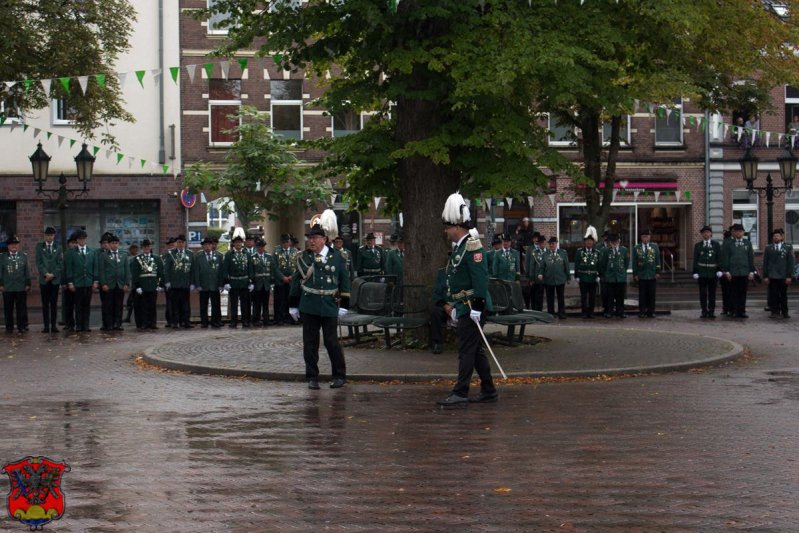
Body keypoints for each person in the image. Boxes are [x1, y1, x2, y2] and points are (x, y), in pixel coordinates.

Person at [437, 192, 497, 407]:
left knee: (466, 350)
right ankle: (489, 389)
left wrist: (478, 306)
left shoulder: (472, 246)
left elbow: (480, 279)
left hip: (474, 307)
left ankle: (461, 392)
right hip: (465, 306)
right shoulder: (461, 248)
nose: (446, 232)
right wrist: (454, 304)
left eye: (448, 227)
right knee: (475, 350)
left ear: (456, 227)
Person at [289, 224, 351, 390]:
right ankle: (312, 377)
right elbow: (296, 281)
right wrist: (293, 305)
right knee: (310, 343)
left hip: (330, 305)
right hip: (309, 305)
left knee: (332, 342)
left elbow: (344, 281)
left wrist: (344, 305)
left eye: (315, 238)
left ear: (324, 239)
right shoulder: (304, 257)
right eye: (310, 238)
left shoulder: (338, 257)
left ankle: (339, 375)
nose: (312, 241)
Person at [65, 230, 98, 332]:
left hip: (88, 282)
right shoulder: (71, 252)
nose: (82, 241)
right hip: (77, 282)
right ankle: (79, 325)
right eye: (80, 239)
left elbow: (95, 267)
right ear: (77, 240)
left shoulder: (92, 252)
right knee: (78, 305)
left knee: (87, 305)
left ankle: (86, 325)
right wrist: (70, 282)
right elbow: (69, 268)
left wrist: (95, 281)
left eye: (83, 239)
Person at [720, 223, 756, 318]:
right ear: (734, 233)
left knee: (743, 292)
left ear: (743, 232)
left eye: (741, 231)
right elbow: (726, 258)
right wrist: (727, 271)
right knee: (733, 292)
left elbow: (750, 258)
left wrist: (751, 271)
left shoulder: (747, 243)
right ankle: (734, 310)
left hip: (744, 272)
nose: (739, 233)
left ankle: (742, 310)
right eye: (737, 231)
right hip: (733, 272)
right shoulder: (729, 244)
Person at [97, 235, 130, 331]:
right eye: (112, 243)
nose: (115, 245)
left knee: (119, 305)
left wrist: (126, 283)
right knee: (108, 305)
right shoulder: (104, 255)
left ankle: (118, 323)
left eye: (116, 243)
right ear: (109, 244)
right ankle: (109, 324)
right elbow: (102, 271)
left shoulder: (123, 255)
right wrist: (103, 283)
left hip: (120, 284)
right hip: (109, 284)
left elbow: (127, 270)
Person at [0, 235, 31, 333]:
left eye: (16, 244)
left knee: (21, 308)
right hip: (7, 286)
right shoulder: (2, 257)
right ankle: (9, 327)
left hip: (20, 286)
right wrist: (1, 284)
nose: (14, 246)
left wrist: (28, 283)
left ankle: (21, 326)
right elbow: (0, 271)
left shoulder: (23, 256)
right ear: (8, 246)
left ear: (18, 246)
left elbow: (27, 271)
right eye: (12, 244)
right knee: (8, 308)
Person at [131, 239, 163, 330]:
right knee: (143, 306)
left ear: (150, 247)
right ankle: (144, 323)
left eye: (148, 246)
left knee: (153, 305)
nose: (147, 248)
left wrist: (160, 284)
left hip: (153, 285)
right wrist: (137, 286)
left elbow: (160, 272)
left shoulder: (156, 258)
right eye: (145, 247)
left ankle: (153, 323)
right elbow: (135, 273)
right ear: (142, 248)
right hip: (143, 286)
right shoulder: (137, 259)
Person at [762, 228, 795, 319]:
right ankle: (775, 311)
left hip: (783, 275)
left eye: (778, 236)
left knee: (783, 295)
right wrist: (765, 275)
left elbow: (791, 262)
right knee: (773, 295)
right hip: (772, 275)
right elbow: (765, 262)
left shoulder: (788, 247)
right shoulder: (769, 248)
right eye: (774, 236)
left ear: (782, 237)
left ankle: (785, 312)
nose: (776, 237)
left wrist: (789, 276)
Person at [192, 237, 224, 328]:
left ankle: (215, 321)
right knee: (203, 305)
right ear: (203, 246)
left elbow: (220, 271)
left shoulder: (218, 256)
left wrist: (221, 284)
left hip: (215, 284)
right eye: (205, 245)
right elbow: (196, 272)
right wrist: (197, 285)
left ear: (212, 245)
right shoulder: (198, 257)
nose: (207, 247)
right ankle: (204, 322)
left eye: (209, 245)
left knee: (216, 305)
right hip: (203, 284)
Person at [35, 227, 62, 333]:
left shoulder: (58, 247)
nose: (49, 237)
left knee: (54, 303)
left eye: (51, 235)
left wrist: (53, 274)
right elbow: (38, 262)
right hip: (44, 279)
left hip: (54, 280)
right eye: (47, 235)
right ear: (45, 236)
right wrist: (46, 273)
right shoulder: (39, 247)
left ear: (54, 236)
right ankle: (46, 326)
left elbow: (60, 263)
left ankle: (54, 326)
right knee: (45, 303)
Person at [692, 225, 723, 319]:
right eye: (704, 232)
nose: (706, 234)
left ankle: (711, 311)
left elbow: (719, 258)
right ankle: (704, 311)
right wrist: (695, 272)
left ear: (711, 234)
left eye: (708, 232)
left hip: (713, 273)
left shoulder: (716, 245)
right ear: (702, 234)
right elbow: (695, 259)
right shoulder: (698, 245)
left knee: (712, 293)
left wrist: (719, 270)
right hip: (702, 273)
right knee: (703, 293)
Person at [164, 235, 194, 329]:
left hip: (185, 283)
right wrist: (167, 281)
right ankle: (175, 322)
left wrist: (192, 282)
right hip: (174, 283)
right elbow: (167, 269)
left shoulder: (190, 253)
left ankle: (186, 321)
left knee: (185, 304)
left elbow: (193, 269)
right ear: (176, 243)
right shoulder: (171, 253)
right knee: (175, 304)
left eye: (182, 242)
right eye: (179, 242)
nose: (181, 244)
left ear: (185, 243)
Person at [224, 235, 253, 328]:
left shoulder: (247, 254)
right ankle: (233, 321)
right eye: (236, 243)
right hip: (234, 282)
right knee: (234, 304)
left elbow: (250, 268)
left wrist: (251, 282)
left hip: (244, 282)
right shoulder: (229, 254)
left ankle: (245, 321)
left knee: (245, 304)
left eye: (240, 243)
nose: (238, 244)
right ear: (233, 244)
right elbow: (225, 269)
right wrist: (226, 282)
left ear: (242, 244)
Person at [250, 238, 280, 326]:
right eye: (259, 247)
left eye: (262, 247)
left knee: (265, 303)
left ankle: (266, 319)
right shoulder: (252, 257)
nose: (261, 249)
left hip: (266, 283)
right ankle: (256, 320)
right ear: (256, 247)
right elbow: (251, 271)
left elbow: (272, 270)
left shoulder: (269, 257)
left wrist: (272, 282)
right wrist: (251, 282)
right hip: (257, 283)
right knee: (257, 303)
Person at [538, 236, 570, 319]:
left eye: (553, 244)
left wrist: (568, 277)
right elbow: (542, 266)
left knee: (561, 297)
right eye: (550, 244)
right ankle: (550, 313)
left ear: (556, 244)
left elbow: (566, 266)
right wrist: (540, 274)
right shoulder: (545, 254)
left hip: (560, 278)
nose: (551, 245)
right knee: (550, 298)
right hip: (549, 279)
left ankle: (561, 313)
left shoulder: (563, 253)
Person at [632, 229, 661, 318]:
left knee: (652, 294)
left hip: (652, 274)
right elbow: (634, 262)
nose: (646, 238)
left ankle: (651, 311)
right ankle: (642, 311)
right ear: (641, 238)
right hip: (642, 275)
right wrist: (635, 274)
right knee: (642, 294)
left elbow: (657, 260)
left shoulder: (654, 247)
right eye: (644, 236)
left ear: (650, 237)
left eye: (647, 236)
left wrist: (657, 272)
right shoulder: (636, 248)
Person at [599, 233, 628, 318]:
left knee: (620, 296)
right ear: (610, 242)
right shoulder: (606, 251)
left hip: (620, 277)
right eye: (613, 242)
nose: (615, 243)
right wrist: (605, 275)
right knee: (610, 296)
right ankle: (609, 311)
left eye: (616, 241)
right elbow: (603, 264)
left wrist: (622, 273)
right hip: (610, 277)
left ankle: (620, 312)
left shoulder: (624, 250)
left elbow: (626, 263)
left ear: (619, 241)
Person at [574, 227, 600, 318]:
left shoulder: (597, 252)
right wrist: (576, 276)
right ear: (585, 242)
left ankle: (591, 312)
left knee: (592, 296)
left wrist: (598, 275)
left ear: (593, 242)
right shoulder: (579, 252)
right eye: (587, 241)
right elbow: (576, 264)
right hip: (583, 277)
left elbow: (599, 265)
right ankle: (584, 312)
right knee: (584, 296)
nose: (589, 243)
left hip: (593, 277)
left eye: (590, 241)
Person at [274, 234, 295, 325]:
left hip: (292, 281)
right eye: (284, 242)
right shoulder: (276, 251)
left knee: (290, 300)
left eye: (287, 241)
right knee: (280, 300)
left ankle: (291, 318)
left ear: (290, 242)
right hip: (280, 280)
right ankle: (279, 319)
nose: (286, 243)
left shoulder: (295, 252)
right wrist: (282, 277)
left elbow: (298, 266)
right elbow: (274, 267)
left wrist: (292, 276)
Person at [429, 261, 449, 354]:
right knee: (435, 312)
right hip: (445, 306)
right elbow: (436, 293)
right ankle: (437, 343)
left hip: (461, 305)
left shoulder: (464, 272)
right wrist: (445, 305)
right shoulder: (442, 273)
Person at [61, 233, 78, 331]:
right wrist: (64, 282)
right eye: (72, 243)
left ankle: (78, 322)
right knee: (68, 305)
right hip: (67, 283)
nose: (74, 245)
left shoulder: (80, 254)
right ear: (69, 244)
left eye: (76, 243)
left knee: (78, 305)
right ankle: (69, 323)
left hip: (78, 283)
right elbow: (63, 269)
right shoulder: (66, 255)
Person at [526, 234, 547, 311]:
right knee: (535, 295)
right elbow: (530, 265)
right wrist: (530, 277)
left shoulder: (548, 252)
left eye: (544, 243)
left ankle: (541, 310)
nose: (542, 244)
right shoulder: (533, 252)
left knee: (542, 295)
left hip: (545, 278)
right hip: (535, 277)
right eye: (541, 243)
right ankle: (535, 310)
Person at [124, 243, 140, 325]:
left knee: (133, 301)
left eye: (135, 249)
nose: (134, 251)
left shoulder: (137, 258)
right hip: (131, 282)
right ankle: (128, 317)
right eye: (132, 249)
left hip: (136, 282)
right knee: (130, 301)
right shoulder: (128, 258)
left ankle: (132, 317)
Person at [719, 228, 733, 316]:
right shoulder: (731, 244)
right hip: (731, 272)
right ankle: (731, 309)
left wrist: (723, 270)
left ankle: (725, 308)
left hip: (724, 272)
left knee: (725, 292)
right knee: (732, 292)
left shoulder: (723, 244)